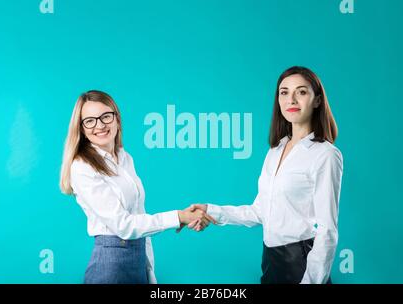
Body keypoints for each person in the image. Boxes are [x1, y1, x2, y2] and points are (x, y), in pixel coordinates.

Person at [184, 66, 343, 284]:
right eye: (284, 92)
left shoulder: (326, 155)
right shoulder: (275, 151)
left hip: (302, 264)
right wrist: (210, 211)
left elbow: (327, 231)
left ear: (317, 100)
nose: (291, 100)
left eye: (302, 92)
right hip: (271, 261)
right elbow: (259, 211)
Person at [59, 90, 215, 284]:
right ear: (81, 128)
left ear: (117, 119)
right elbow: (123, 226)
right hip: (110, 266)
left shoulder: (125, 158)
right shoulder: (82, 167)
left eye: (106, 116)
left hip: (137, 256)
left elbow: (138, 215)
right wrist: (178, 217)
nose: (99, 125)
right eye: (89, 120)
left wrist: (149, 270)